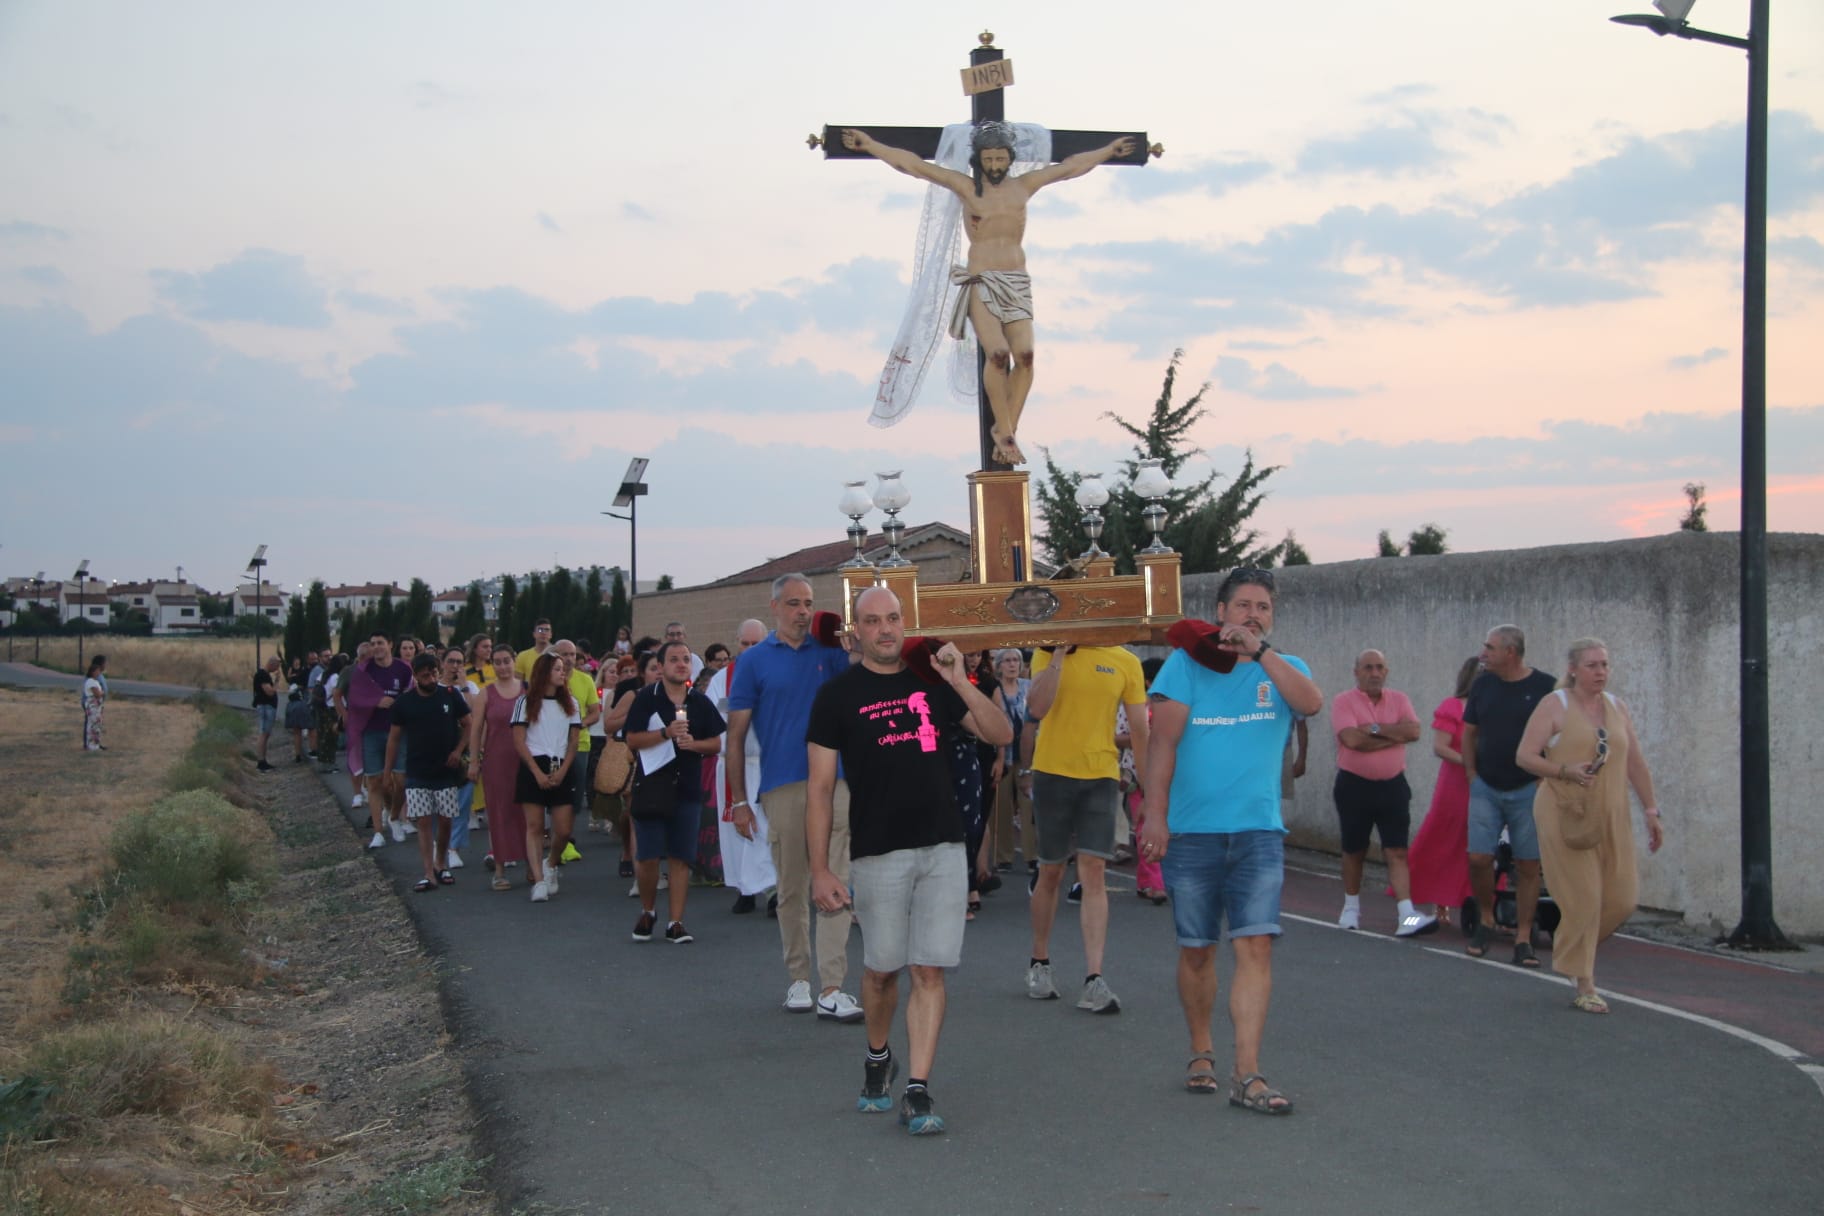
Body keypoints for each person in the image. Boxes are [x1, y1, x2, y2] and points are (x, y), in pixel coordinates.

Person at [808, 588, 1011, 1136]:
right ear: (857, 631)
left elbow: (1002, 734)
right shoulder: (836, 696)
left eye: (893, 618)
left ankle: (917, 1088)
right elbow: (820, 789)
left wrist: (960, 681)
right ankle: (878, 1055)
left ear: (905, 622)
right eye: (873, 621)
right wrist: (821, 869)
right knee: (881, 971)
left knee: (928, 969)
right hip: (878, 850)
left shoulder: (933, 683)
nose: (885, 629)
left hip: (943, 847)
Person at [841, 123, 1137, 465]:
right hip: (982, 280)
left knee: (1025, 356)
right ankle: (1006, 433)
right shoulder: (966, 188)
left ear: (1009, 158)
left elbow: (1070, 168)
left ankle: (1006, 428)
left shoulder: (1024, 187)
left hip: (1016, 281)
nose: (995, 165)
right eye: (989, 159)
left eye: (1000, 159)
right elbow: (913, 166)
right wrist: (870, 145)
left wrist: (1107, 151)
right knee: (997, 354)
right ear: (978, 160)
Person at [1140, 569, 1324, 1112]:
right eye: (1243, 605)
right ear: (1220, 612)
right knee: (1198, 949)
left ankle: (1248, 1074)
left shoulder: (1286, 669)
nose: (1252, 615)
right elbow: (1162, 745)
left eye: (1263, 607)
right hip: (1193, 832)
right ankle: (1201, 1050)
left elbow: (1311, 703)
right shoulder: (1184, 666)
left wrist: (1261, 652)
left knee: (1255, 944)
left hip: (1258, 832)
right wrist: (1155, 817)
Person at [726, 573, 861, 1021]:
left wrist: (855, 647)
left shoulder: (831, 653)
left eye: (808, 603)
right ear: (774, 607)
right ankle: (799, 980)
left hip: (836, 780)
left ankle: (833, 986)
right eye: (793, 603)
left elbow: (864, 683)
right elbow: (735, 735)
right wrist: (739, 801)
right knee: (792, 885)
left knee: (836, 880)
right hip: (782, 784)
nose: (803, 611)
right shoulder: (754, 661)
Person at [1516, 639, 1665, 1013]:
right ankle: (1585, 983)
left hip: (1611, 813)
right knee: (1584, 900)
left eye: (1605, 665)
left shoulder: (1617, 707)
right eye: (1592, 665)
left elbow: (1635, 763)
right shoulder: (1555, 705)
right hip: (1564, 811)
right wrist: (1564, 770)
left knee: (1622, 899)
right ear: (1573, 669)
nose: (1601, 672)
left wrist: (1651, 810)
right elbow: (1525, 757)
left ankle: (1570, 947)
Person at [1024, 641, 1149, 1013]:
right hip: (1052, 772)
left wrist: (1150, 790)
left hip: (1101, 775)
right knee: (1051, 870)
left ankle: (1094, 977)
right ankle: (1039, 961)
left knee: (1093, 870)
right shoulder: (1047, 653)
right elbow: (1036, 709)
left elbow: (1140, 730)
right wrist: (1059, 654)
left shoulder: (1126, 660)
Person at [1463, 625, 1558, 967]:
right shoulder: (1482, 685)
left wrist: (1544, 778)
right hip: (1486, 787)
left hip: (1528, 788)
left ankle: (1523, 938)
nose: (1483, 653)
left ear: (1511, 652)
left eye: (1490, 647)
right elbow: (1469, 732)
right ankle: (1486, 919)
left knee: (1529, 864)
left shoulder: (1545, 687)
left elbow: (1558, 737)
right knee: (1478, 857)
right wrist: (1472, 775)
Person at [623, 640, 726, 943]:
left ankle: (676, 922)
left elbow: (717, 743)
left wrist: (694, 744)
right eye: (674, 659)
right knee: (648, 857)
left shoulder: (699, 702)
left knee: (681, 857)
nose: (681, 664)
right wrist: (664, 733)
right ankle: (648, 910)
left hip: (688, 787)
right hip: (652, 787)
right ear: (661, 666)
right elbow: (631, 739)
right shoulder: (647, 698)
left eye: (685, 659)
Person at [1331, 650, 1435, 937]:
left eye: (1379, 667)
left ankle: (1407, 915)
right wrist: (1394, 736)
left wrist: (1374, 729)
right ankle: (1351, 909)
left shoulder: (1399, 699)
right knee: (1354, 849)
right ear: (1356, 672)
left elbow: (1414, 732)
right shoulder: (1343, 701)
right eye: (1368, 668)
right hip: (1354, 786)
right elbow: (1352, 740)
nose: (1374, 673)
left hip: (1393, 786)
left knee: (1397, 850)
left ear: (1386, 671)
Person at [1404, 657, 1482, 924]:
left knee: (1482, 844)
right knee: (1445, 841)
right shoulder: (1453, 706)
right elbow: (1441, 747)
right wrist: (1470, 762)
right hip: (1456, 786)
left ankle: (1480, 902)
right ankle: (1439, 900)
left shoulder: (1495, 708)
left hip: (1485, 785)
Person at [385, 652, 471, 892]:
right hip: (417, 770)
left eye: (434, 674)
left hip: (446, 770)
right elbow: (394, 738)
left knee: (445, 820)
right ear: (415, 676)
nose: (431, 679)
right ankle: (427, 872)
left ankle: (440, 863)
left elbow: (468, 724)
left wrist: (459, 751)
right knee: (423, 821)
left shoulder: (450, 695)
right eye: (425, 675)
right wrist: (387, 771)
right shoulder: (404, 703)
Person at [710, 621, 777, 914]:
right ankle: (743, 888)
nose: (749, 649)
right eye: (744, 644)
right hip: (732, 765)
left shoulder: (776, 674)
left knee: (766, 828)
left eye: (755, 644)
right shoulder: (721, 679)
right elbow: (712, 719)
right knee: (735, 831)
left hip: (765, 764)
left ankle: (773, 890)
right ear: (736, 642)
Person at [510, 650, 581, 903]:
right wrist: (536, 772)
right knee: (535, 826)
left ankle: (550, 863)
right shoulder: (525, 702)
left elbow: (573, 742)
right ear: (544, 673)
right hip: (534, 764)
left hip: (561, 764)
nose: (563, 673)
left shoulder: (571, 703)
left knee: (563, 829)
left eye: (563, 669)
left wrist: (563, 770)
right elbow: (519, 740)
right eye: (557, 669)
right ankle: (539, 880)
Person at [347, 633, 414, 848]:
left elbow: (411, 695)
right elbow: (354, 698)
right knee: (374, 781)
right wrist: (375, 701)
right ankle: (378, 832)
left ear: (390, 645)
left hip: (398, 732)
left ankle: (394, 816)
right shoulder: (363, 671)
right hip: (372, 732)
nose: (376, 647)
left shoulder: (403, 669)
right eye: (373, 643)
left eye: (380, 643)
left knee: (401, 781)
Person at [468, 645, 524, 892]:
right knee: (498, 814)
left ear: (514, 661)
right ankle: (499, 869)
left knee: (527, 814)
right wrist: (474, 761)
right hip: (496, 761)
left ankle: (532, 865)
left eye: (506, 661)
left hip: (525, 760)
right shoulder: (486, 694)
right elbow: (476, 729)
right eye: (498, 662)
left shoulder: (527, 690)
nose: (503, 667)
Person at [549, 639, 603, 865]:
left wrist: (580, 724)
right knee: (553, 794)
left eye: (572, 654)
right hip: (552, 746)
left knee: (574, 795)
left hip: (580, 744)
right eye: (564, 654)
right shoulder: (548, 681)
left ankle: (566, 840)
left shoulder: (585, 680)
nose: (569, 659)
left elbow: (595, 712)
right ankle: (556, 839)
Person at [987, 649, 1030, 873]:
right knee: (1001, 807)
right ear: (999, 665)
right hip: (1003, 754)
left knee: (1029, 805)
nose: (1012, 665)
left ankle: (1033, 856)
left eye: (1016, 660)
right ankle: (1004, 856)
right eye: (1007, 661)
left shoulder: (1028, 687)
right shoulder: (994, 689)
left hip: (1027, 755)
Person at [253, 655, 283, 772]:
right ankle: (260, 761)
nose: (277, 669)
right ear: (272, 664)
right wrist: (276, 682)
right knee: (263, 734)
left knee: (266, 734)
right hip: (265, 707)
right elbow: (269, 692)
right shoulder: (262, 675)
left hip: (268, 707)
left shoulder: (265, 675)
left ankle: (263, 760)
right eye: (276, 666)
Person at [285, 654, 315, 762]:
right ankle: (313, 751)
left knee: (297, 731)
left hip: (294, 704)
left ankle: (298, 755)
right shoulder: (309, 673)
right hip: (305, 703)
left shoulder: (296, 676)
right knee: (312, 727)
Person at [81, 655, 107, 751]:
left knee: (96, 724)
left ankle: (95, 743)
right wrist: (102, 693)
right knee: (92, 724)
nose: (105, 665)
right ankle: (89, 744)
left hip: (97, 704)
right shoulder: (92, 680)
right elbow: (97, 693)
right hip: (92, 704)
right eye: (104, 663)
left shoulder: (98, 677)